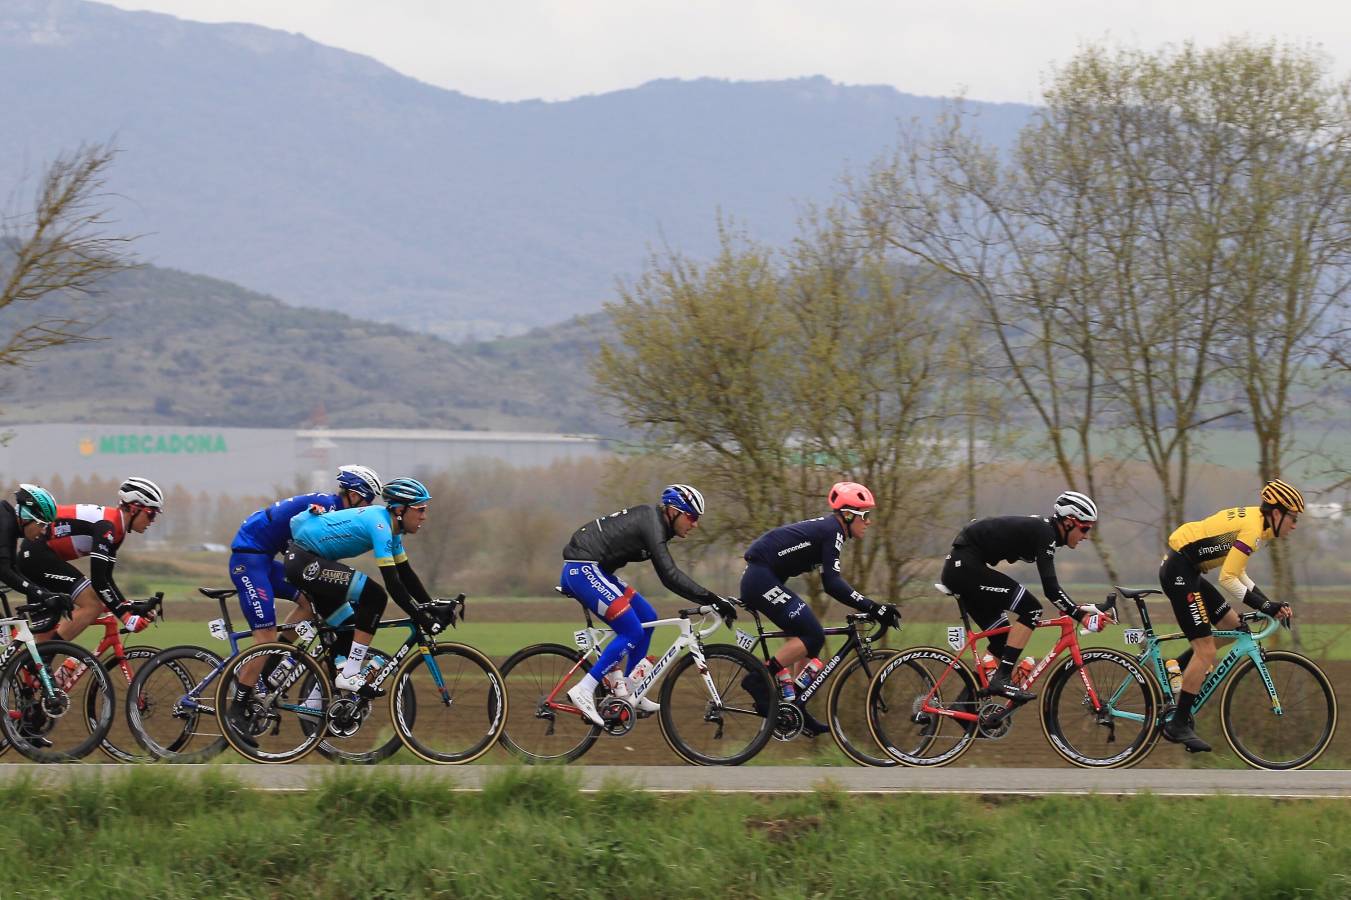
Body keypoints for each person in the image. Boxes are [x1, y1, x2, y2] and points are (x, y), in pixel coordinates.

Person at [559, 483, 734, 726]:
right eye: (691, 517)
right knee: (632, 630)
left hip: (595, 570)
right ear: (673, 511)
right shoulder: (652, 523)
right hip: (582, 568)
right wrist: (712, 599)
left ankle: (629, 690)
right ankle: (584, 689)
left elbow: (668, 576)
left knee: (647, 617)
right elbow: (669, 576)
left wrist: (711, 599)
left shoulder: (657, 524)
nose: (695, 524)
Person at [739, 482, 899, 732]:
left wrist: (870, 607)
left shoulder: (831, 531)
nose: (868, 521)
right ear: (848, 515)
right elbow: (832, 584)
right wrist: (873, 607)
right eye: (864, 515)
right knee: (813, 634)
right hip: (760, 579)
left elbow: (832, 581)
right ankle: (758, 680)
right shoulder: (832, 531)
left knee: (808, 639)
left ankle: (795, 706)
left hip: (764, 578)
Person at [1157, 479, 1302, 753]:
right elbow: (1228, 579)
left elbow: (1239, 574)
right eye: (1293, 517)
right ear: (1276, 513)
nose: (1295, 524)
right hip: (1180, 571)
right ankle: (1177, 724)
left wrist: (1267, 602)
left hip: (1189, 570)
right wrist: (1265, 606)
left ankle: (1175, 666)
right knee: (1206, 652)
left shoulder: (1257, 526)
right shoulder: (1252, 530)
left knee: (1233, 626)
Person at [939, 490, 1110, 703]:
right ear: (1068, 522)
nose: (1086, 536)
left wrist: (1077, 609)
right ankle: (1001, 679)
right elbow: (1050, 589)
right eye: (1084, 528)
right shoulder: (1045, 533)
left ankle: (965, 706)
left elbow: (1054, 591)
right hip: (964, 568)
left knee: (1002, 641)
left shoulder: (1046, 533)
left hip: (966, 566)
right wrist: (1080, 616)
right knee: (1031, 609)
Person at [228, 465, 381, 693]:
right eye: (368, 501)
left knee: (308, 604)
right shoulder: (329, 510)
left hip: (265, 560)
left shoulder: (334, 508)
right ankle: (241, 698)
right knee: (265, 635)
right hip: (249, 560)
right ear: (355, 495)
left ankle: (270, 665)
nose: (369, 508)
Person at [283, 476, 442, 695]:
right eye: (420, 509)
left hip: (308, 561)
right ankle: (349, 674)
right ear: (400, 510)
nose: (424, 516)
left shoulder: (392, 530)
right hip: (305, 562)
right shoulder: (379, 524)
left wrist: (430, 606)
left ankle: (319, 705)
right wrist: (423, 618)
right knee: (375, 596)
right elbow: (393, 584)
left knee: (350, 627)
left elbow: (406, 574)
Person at [18, 477, 163, 641]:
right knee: (93, 605)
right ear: (134, 508)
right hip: (38, 554)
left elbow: (107, 579)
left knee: (41, 648)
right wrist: (125, 617)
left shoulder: (117, 531)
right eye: (151, 514)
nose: (152, 521)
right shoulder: (107, 525)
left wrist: (128, 608)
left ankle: (32, 662)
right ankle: (50, 652)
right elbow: (99, 580)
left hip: (38, 555)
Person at [0, 484, 71, 628]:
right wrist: (42, 594)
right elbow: (4, 571)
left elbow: (13, 568)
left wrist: (47, 593)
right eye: (42, 525)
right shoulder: (4, 524)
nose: (44, 531)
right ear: (27, 518)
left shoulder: (10, 524)